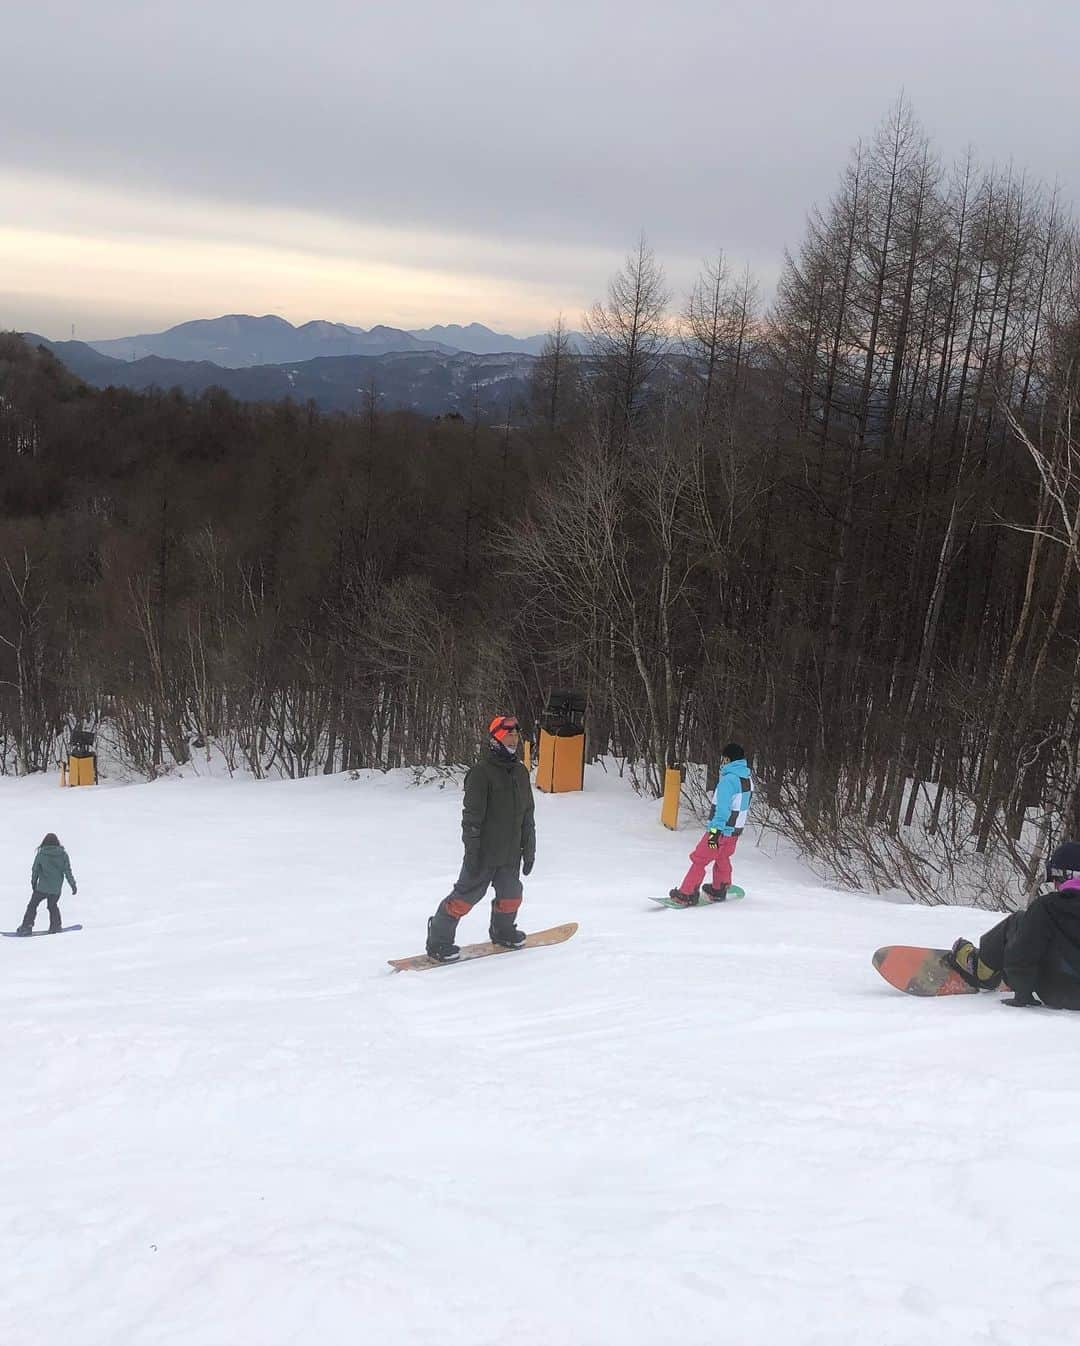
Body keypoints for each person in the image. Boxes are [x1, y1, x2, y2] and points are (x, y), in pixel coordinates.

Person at [425, 714, 536, 962]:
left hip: (509, 854)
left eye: (516, 734)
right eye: (509, 734)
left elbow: (528, 815)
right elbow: (471, 820)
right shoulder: (481, 773)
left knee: (511, 895)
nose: (514, 739)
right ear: (496, 737)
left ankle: (503, 931)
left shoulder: (520, 772)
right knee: (464, 899)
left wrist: (529, 849)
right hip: (484, 853)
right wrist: (472, 852)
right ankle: (438, 941)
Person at [947, 840, 1080, 1008]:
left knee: (1019, 921)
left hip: (1056, 993)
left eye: (1054, 879)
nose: (1054, 885)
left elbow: (1023, 953)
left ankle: (982, 969)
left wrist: (1022, 993)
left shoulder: (1046, 907)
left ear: (1062, 876)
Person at [667, 742, 753, 907]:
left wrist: (714, 833)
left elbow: (722, 811)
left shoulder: (729, 781)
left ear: (727, 759)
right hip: (734, 832)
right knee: (722, 856)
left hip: (719, 830)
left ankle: (687, 893)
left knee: (700, 859)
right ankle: (720, 887)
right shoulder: (747, 779)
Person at [17, 832, 77, 935]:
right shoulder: (63, 855)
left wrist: (33, 882)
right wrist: (73, 885)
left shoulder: (41, 854)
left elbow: (35, 870)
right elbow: (67, 871)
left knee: (33, 905)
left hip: (42, 888)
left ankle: (26, 927)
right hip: (56, 889)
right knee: (52, 905)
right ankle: (56, 926)